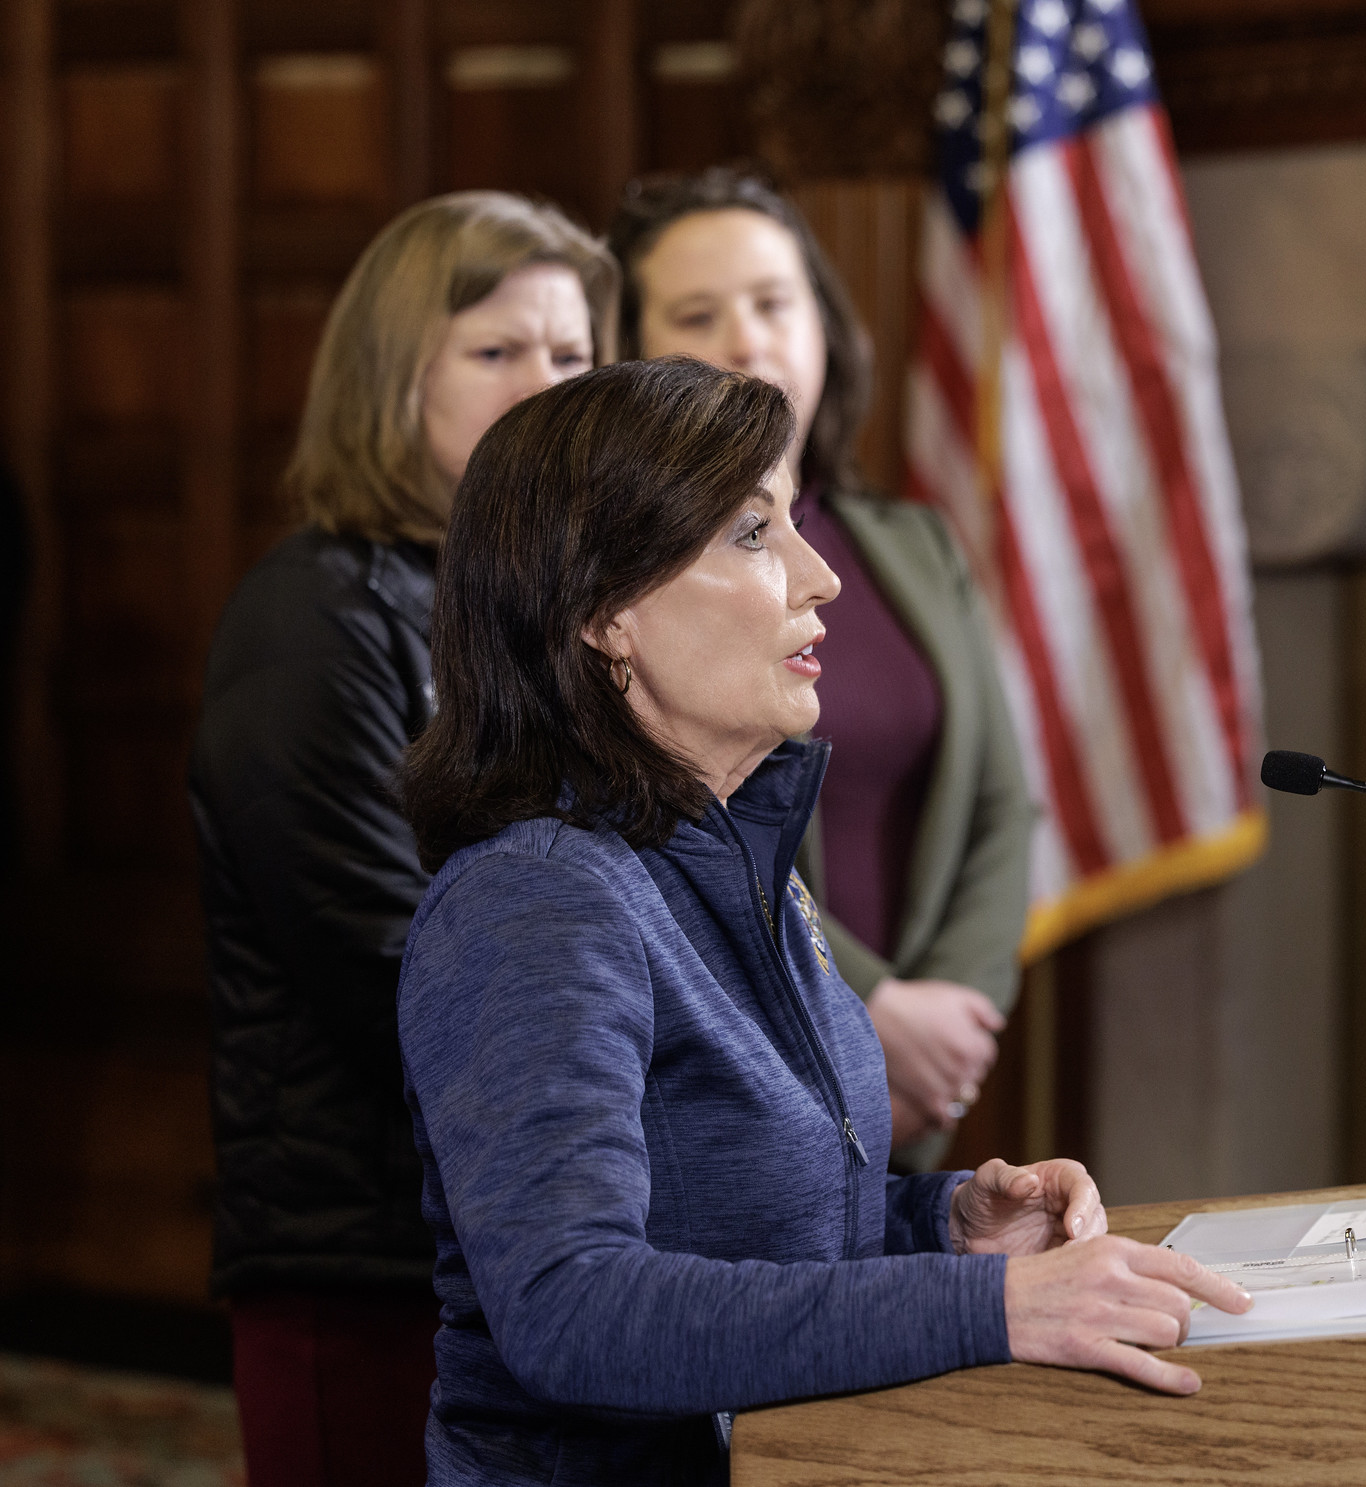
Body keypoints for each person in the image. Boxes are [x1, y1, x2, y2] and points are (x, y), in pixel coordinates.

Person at [394, 356, 1249, 1485]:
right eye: (751, 535)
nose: (820, 577)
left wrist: (940, 1223)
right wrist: (984, 1303)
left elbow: (744, 1225)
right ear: (606, 615)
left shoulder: (729, 861)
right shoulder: (533, 898)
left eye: (793, 523)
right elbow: (569, 1307)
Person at [187, 192, 618, 1487]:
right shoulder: (310, 621)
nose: (545, 386)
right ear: (393, 380)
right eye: (498, 352)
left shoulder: (542, 608)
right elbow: (384, 966)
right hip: (369, 1261)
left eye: (571, 354)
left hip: (524, 1228)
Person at [608, 172, 1031, 1161]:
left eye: (771, 302)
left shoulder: (911, 544)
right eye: (696, 313)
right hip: (737, 1070)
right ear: (627, 349)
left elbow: (1002, 803)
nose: (746, 340)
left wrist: (952, 1015)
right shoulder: (624, 573)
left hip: (924, 1085)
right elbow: (670, 813)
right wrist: (871, 1007)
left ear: (826, 327)